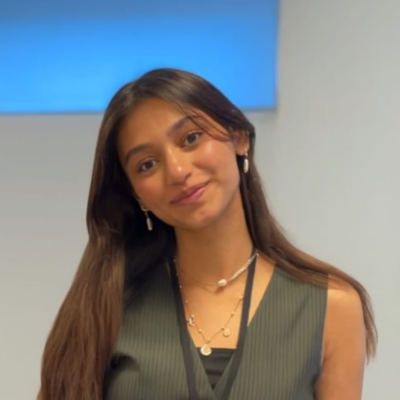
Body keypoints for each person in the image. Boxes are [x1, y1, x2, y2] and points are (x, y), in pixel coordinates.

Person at [36, 68, 377, 400]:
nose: (178, 171)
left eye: (191, 138)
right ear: (136, 193)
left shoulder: (330, 306)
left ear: (239, 137)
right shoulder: (105, 303)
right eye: (147, 164)